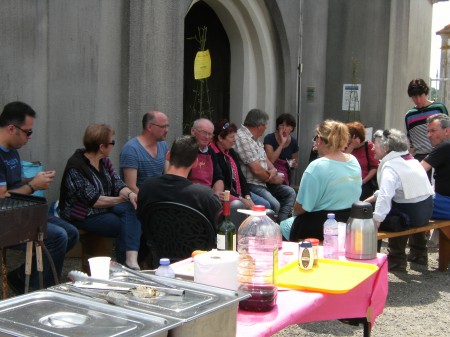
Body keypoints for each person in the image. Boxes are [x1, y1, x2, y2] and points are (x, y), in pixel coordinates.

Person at [0, 101, 79, 293]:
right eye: (28, 132)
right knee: (57, 237)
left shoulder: (12, 152)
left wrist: (34, 179)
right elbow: (2, 196)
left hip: (20, 211)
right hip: (5, 219)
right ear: (12, 128)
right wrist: (33, 185)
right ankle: (45, 291)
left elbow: (14, 183)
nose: (30, 137)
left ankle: (21, 277)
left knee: (70, 233)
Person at [59, 124, 141, 270]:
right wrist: (123, 198)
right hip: (83, 213)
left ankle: (130, 261)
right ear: (102, 146)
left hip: (106, 207)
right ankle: (126, 266)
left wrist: (130, 194)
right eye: (112, 143)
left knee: (134, 209)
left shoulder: (104, 161)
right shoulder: (76, 167)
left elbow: (117, 183)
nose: (113, 146)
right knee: (125, 224)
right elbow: (94, 200)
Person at [365, 129, 433, 272]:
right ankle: (419, 253)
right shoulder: (411, 160)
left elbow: (385, 195)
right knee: (403, 205)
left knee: (390, 213)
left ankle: (396, 260)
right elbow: (389, 190)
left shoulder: (391, 166)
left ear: (386, 148)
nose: (372, 147)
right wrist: (368, 200)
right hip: (426, 212)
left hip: (410, 216)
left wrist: (376, 220)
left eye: (375, 144)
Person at [288, 119, 362, 242]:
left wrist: (292, 212)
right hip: (347, 224)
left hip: (318, 226)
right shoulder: (353, 161)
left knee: (280, 228)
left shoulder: (317, 166)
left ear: (320, 140)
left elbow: (301, 208)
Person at [138, 135, 222, 226]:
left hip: (156, 239)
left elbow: (141, 218)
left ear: (168, 155)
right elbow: (220, 228)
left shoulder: (147, 187)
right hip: (193, 239)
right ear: (195, 163)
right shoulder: (205, 197)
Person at [234, 108, 296, 222]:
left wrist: (274, 172)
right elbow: (256, 170)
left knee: (290, 193)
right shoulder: (243, 138)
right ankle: (268, 231)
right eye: (265, 124)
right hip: (251, 184)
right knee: (273, 204)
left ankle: (281, 228)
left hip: (264, 182)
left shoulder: (255, 140)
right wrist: (272, 178)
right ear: (259, 125)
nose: (266, 127)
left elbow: (269, 162)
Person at [211, 119, 270, 209]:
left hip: (240, 193)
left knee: (265, 205)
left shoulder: (230, 151)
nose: (234, 140)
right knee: (259, 206)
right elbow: (224, 184)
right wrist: (241, 199)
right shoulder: (214, 154)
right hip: (227, 194)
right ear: (220, 138)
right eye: (231, 137)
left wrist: (247, 196)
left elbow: (240, 175)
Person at [120, 110, 169, 193]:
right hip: (137, 201)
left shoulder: (163, 145)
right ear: (149, 127)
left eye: (167, 126)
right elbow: (131, 187)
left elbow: (167, 176)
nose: (167, 130)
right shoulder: (131, 149)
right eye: (163, 126)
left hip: (159, 198)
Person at [405, 79, 448, 163]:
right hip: (419, 159)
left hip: (440, 155)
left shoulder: (439, 108)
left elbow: (447, 131)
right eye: (414, 97)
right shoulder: (409, 116)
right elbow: (410, 140)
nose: (418, 100)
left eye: (420, 95)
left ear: (426, 93)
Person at [421, 114, 450, 220]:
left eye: (433, 131)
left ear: (446, 131)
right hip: (443, 201)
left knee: (407, 207)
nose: (429, 135)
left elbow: (417, 171)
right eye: (428, 131)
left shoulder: (445, 146)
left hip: (445, 204)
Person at [189, 118, 224, 198]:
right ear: (193, 131)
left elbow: (218, 177)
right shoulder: (186, 149)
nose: (207, 137)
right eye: (204, 132)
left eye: (210, 134)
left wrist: (218, 193)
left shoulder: (211, 152)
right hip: (191, 195)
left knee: (237, 204)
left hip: (209, 195)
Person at [345, 121, 379, 200]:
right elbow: (342, 160)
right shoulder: (346, 147)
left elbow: (374, 167)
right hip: (347, 181)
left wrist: (363, 181)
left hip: (364, 183)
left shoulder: (368, 146)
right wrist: (351, 146)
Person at [264, 113, 299, 186]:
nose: (284, 128)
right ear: (277, 126)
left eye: (288, 126)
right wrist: (282, 144)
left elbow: (294, 161)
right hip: (270, 174)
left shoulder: (293, 142)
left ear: (292, 128)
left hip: (285, 175)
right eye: (282, 125)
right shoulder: (269, 138)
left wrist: (293, 164)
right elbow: (271, 160)